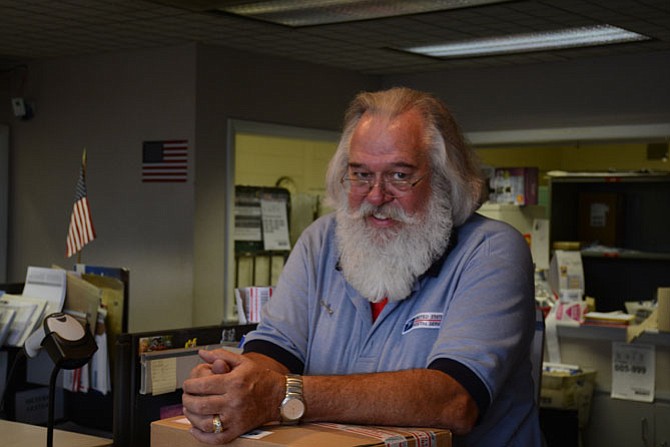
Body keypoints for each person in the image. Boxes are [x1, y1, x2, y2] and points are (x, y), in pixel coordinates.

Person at [182, 87, 542, 446]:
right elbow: (275, 352)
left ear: (445, 180)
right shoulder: (321, 240)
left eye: (400, 175)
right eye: (361, 175)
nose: (376, 196)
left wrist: (283, 395)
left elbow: (454, 401)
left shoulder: (491, 249)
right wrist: (231, 385)